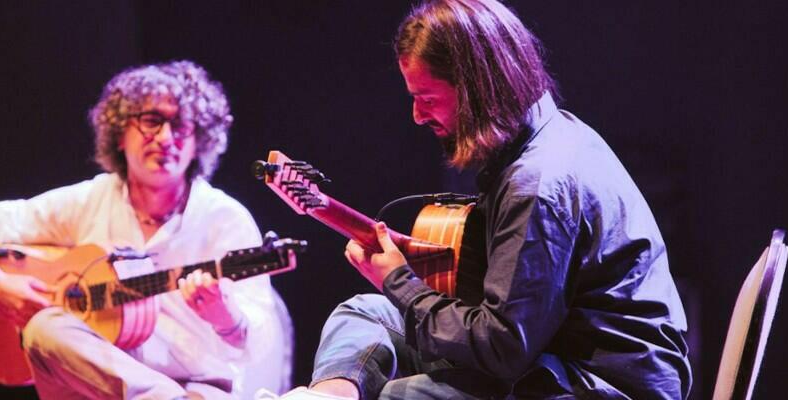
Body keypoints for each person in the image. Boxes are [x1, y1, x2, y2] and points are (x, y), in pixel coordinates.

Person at [262, 1, 691, 399]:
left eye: (426, 99)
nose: (417, 115)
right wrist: (400, 276)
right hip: (544, 354)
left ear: (475, 89)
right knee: (365, 312)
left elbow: (503, 347)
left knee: (395, 395)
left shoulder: (537, 185)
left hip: (600, 382)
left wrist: (399, 281)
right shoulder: (550, 133)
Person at [0, 60, 290, 400]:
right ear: (120, 133)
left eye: (181, 125)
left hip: (199, 384)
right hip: (101, 384)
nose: (166, 137)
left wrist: (225, 318)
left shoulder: (225, 219)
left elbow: (259, 342)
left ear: (199, 140)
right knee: (43, 328)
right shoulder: (92, 199)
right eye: (151, 121)